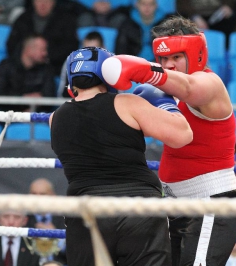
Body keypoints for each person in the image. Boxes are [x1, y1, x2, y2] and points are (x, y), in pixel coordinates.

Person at [101, 15, 236, 266]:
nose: (169, 65)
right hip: (174, 203)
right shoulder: (164, 94)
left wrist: (146, 71)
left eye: (176, 57)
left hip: (210, 204)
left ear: (196, 54)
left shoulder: (210, 84)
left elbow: (188, 88)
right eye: (164, 59)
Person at [50, 46, 193, 266]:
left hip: (86, 210)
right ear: (107, 72)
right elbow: (182, 135)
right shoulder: (127, 104)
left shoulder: (55, 118)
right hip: (139, 208)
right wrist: (165, 103)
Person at [6, 0, 79, 76]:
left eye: (47, 1)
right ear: (33, 2)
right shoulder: (23, 19)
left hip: (54, 70)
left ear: (53, 3)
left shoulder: (66, 20)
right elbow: (12, 45)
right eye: (39, 1)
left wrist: (45, 56)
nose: (43, 4)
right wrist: (27, 58)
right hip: (22, 69)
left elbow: (70, 47)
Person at [0, 35, 56, 112]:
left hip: (35, 113)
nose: (45, 53)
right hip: (3, 112)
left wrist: (33, 109)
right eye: (42, 50)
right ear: (29, 49)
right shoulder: (5, 66)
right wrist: (23, 98)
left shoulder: (47, 69)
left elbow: (49, 97)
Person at [57, 31, 105, 97]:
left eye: (93, 52)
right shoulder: (71, 62)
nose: (89, 56)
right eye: (86, 51)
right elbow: (63, 93)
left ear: (104, 48)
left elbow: (117, 94)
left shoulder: (111, 63)